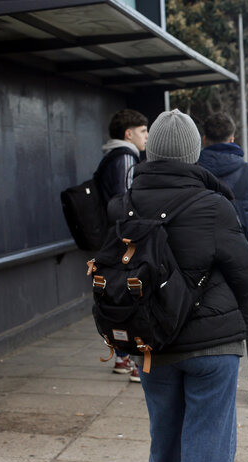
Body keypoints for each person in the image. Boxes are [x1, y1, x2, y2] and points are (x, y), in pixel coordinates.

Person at [107, 109, 248, 462]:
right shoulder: (213, 204)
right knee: (208, 451)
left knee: (166, 441)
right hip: (212, 345)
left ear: (152, 150)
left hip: (152, 343)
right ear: (195, 152)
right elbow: (245, 274)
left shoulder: (125, 203)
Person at [197, 113, 248, 405]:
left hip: (202, 260)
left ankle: (205, 381)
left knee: (202, 315)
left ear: (204, 139)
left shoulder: (194, 171)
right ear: (233, 138)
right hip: (244, 261)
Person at [95, 108, 148, 382]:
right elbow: (127, 201)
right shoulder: (127, 156)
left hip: (112, 239)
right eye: (142, 131)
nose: (147, 137)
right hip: (124, 242)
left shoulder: (111, 155)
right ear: (128, 134)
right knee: (132, 299)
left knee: (118, 298)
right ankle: (135, 362)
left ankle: (122, 357)